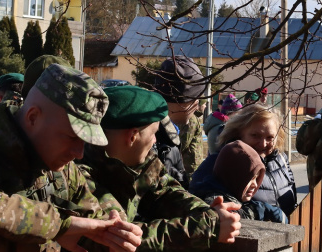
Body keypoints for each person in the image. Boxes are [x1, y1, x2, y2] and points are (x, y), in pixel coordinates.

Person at [0, 63, 143, 251]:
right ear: (33, 117)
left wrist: (116, 237)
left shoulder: (64, 170)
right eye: (72, 137)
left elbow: (93, 223)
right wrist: (59, 225)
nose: (79, 153)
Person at [79, 85, 241, 249]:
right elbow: (120, 239)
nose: (155, 141)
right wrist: (206, 228)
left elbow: (167, 192)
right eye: (153, 133)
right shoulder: (80, 176)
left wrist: (209, 215)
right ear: (133, 136)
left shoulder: (140, 162)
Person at [191, 103, 297, 216]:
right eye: (255, 135)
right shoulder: (219, 162)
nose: (263, 144)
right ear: (239, 133)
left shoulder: (281, 160)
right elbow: (201, 205)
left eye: (270, 137)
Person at [202, 140, 286, 223]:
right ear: (233, 177)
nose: (255, 184)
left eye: (257, 179)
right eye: (250, 178)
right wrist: (258, 210)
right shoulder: (216, 201)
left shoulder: (235, 197)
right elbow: (234, 218)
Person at [154, 56, 206, 182]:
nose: (197, 103)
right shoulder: (150, 134)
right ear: (181, 99)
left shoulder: (164, 130)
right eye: (194, 98)